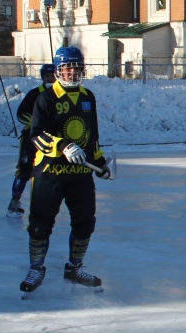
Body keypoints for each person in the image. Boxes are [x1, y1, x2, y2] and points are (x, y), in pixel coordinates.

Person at [23, 47, 114, 294]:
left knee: (85, 222)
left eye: (77, 67)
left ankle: (74, 268)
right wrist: (63, 145)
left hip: (80, 175)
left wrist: (99, 161)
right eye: (68, 67)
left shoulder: (88, 97)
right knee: (40, 224)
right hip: (49, 173)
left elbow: (92, 135)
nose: (73, 72)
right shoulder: (46, 97)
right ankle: (36, 268)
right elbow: (37, 135)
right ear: (58, 70)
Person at [7, 63, 56, 217]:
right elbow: (21, 113)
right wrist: (34, 124)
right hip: (31, 139)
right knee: (24, 168)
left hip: (51, 140)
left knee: (49, 170)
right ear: (43, 78)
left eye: (53, 75)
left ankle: (45, 203)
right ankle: (15, 201)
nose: (51, 78)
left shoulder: (60, 95)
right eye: (48, 76)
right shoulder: (34, 94)